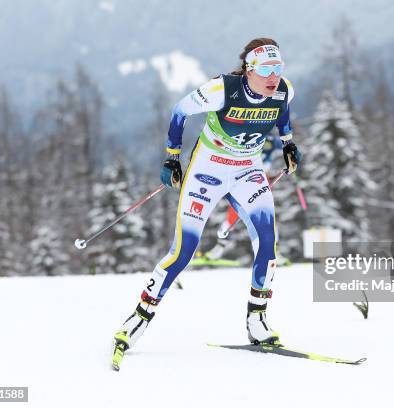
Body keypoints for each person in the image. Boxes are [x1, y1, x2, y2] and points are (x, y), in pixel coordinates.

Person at [111, 38, 301, 370]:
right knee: (184, 250)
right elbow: (179, 111)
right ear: (248, 70)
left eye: (278, 68)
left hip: (247, 170)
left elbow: (283, 113)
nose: (274, 76)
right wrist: (172, 158)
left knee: (268, 244)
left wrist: (287, 143)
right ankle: (137, 320)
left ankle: (257, 320)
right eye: (266, 70)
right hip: (207, 171)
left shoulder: (283, 90)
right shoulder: (221, 90)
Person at [198, 134, 291, 265]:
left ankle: (276, 251)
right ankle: (218, 249)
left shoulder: (269, 139)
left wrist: (289, 157)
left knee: (267, 217)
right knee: (232, 216)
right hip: (242, 180)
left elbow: (284, 145)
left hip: (261, 181)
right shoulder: (246, 136)